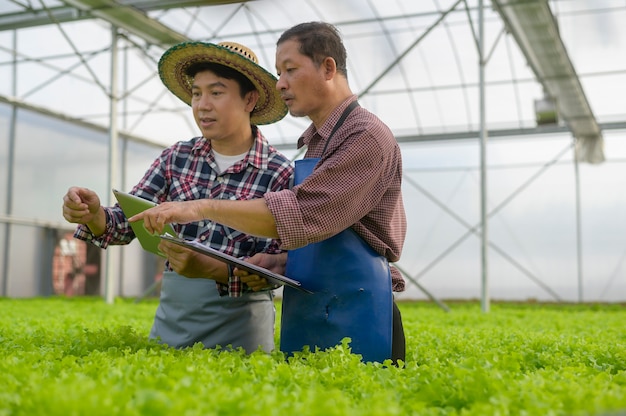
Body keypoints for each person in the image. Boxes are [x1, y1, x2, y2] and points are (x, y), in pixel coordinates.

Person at [131, 22, 407, 364]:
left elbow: (303, 213)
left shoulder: (364, 136)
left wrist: (202, 208)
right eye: (279, 73)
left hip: (359, 308)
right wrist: (278, 262)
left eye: (290, 70)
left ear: (328, 68)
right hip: (315, 305)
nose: (281, 84)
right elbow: (328, 234)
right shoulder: (317, 143)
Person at [61, 41, 293, 353]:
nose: (202, 105)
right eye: (197, 93)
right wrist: (93, 215)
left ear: (249, 99)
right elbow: (127, 222)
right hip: (174, 321)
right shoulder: (177, 158)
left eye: (217, 92)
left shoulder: (278, 173)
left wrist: (212, 268)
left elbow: (282, 265)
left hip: (243, 329)